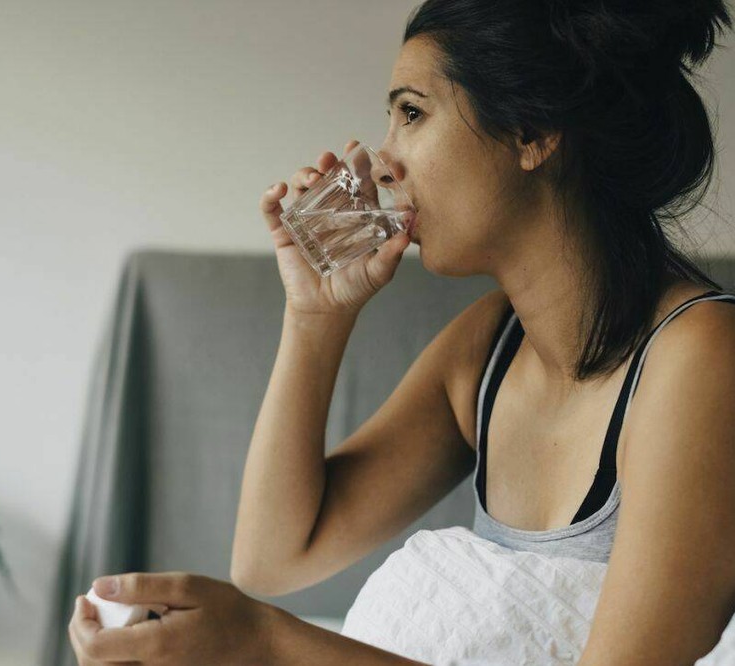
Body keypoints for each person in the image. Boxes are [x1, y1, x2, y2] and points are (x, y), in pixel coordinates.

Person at [70, 1, 735, 664]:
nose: (382, 163)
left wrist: (268, 640)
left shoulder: (703, 356)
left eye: (411, 113)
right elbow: (272, 558)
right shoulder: (490, 347)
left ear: (531, 131)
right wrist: (316, 317)